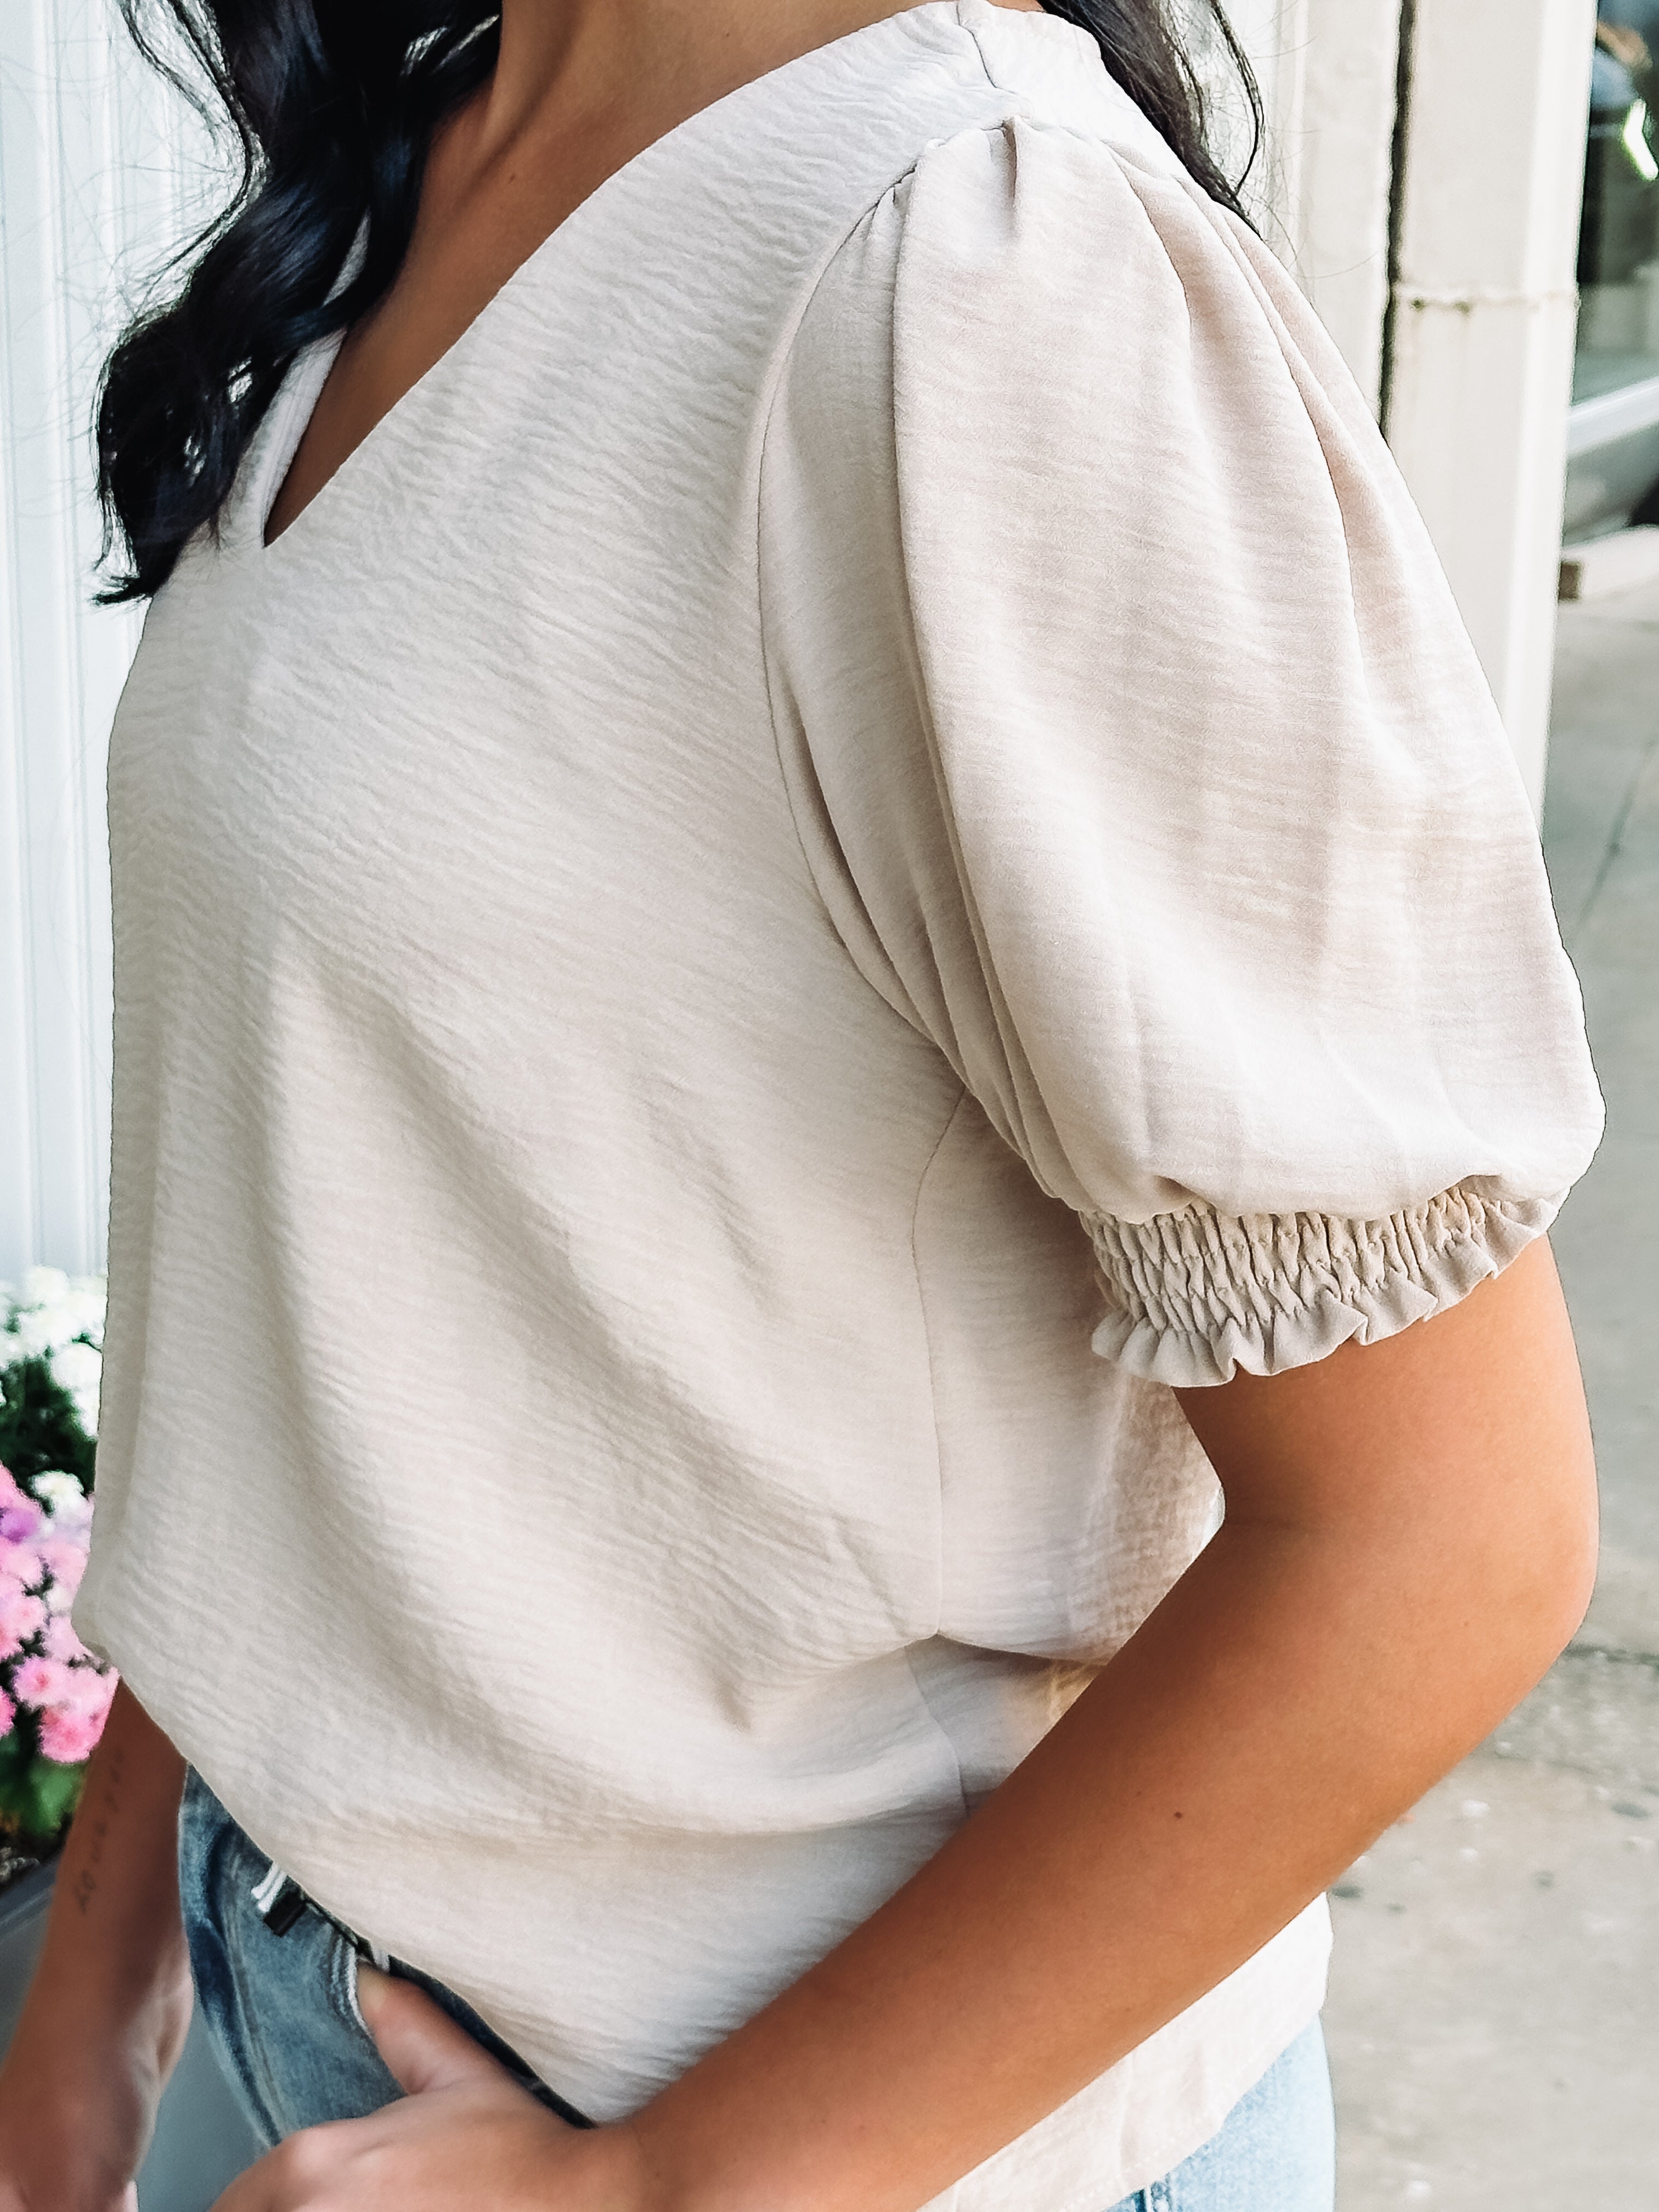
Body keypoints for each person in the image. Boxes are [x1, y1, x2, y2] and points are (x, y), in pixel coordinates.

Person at [0, 1, 1605, 2207]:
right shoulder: (439, 134)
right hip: (293, 2015)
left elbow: (1444, 1536)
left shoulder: (979, 264)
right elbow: (334, 1239)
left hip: (810, 2139)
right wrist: (106, 1965)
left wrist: (655, 2188)